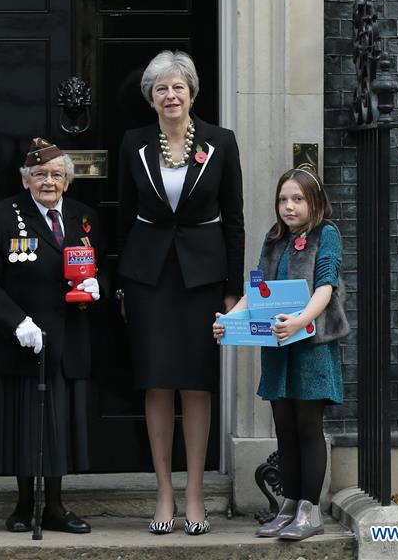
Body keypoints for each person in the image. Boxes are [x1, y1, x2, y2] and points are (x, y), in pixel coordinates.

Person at [118, 50, 245, 536]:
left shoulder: (221, 142)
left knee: (195, 381)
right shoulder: (134, 144)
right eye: (160, 89)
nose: (170, 96)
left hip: (203, 278)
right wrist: (119, 286)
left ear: (191, 92)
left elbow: (233, 219)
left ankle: (195, 491)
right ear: (150, 99)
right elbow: (122, 217)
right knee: (157, 381)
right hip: (147, 277)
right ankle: (164, 490)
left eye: (178, 87)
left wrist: (233, 290)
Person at [0, 137, 105, 535]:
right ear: (26, 179)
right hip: (22, 341)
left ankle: (57, 506)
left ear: (68, 180)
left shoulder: (84, 218)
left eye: (56, 174)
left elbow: (99, 265)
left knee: (58, 426)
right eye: (40, 174)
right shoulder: (1, 216)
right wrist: (16, 322)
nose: (48, 181)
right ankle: (24, 503)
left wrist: (97, 286)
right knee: (24, 425)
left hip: (68, 340)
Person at [213, 165, 350, 541]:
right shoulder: (274, 239)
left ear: (314, 201)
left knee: (308, 428)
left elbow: (325, 286)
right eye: (283, 199)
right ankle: (288, 506)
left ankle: (310, 511)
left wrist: (300, 321)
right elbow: (256, 290)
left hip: (311, 347)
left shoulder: (327, 234)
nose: (288, 207)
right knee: (285, 430)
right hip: (277, 346)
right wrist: (230, 318)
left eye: (297, 199)